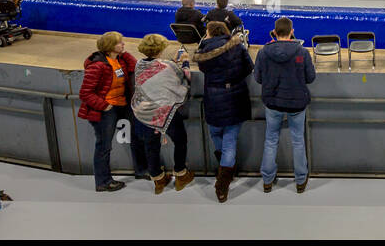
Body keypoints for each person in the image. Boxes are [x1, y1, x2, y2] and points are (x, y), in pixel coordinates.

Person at [78, 32, 149, 192]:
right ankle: (103, 182)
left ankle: (141, 169)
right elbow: (85, 93)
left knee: (137, 136)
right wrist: (104, 106)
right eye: (119, 43)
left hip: (122, 105)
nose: (123, 44)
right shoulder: (97, 66)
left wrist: (124, 53)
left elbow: (134, 65)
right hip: (106, 110)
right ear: (110, 47)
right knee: (104, 146)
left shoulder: (119, 60)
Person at [254, 16, 316, 193]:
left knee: (270, 140)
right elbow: (311, 78)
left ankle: (267, 180)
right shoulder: (302, 52)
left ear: (275, 32)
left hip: (273, 103)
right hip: (297, 103)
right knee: (298, 141)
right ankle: (300, 180)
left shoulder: (264, 52)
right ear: (292, 32)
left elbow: (257, 78)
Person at [130, 33, 194, 195]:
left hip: (143, 113)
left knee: (151, 146)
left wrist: (172, 62)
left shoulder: (139, 65)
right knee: (180, 140)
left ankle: (158, 180)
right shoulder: (168, 66)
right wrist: (184, 61)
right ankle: (181, 174)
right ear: (161, 48)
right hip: (164, 112)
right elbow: (185, 77)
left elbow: (157, 70)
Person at [197, 21, 253, 203]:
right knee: (230, 140)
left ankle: (224, 172)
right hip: (235, 97)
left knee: (215, 133)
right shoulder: (237, 47)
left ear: (210, 33)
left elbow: (202, 68)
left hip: (213, 97)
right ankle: (223, 180)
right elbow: (248, 67)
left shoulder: (204, 51)